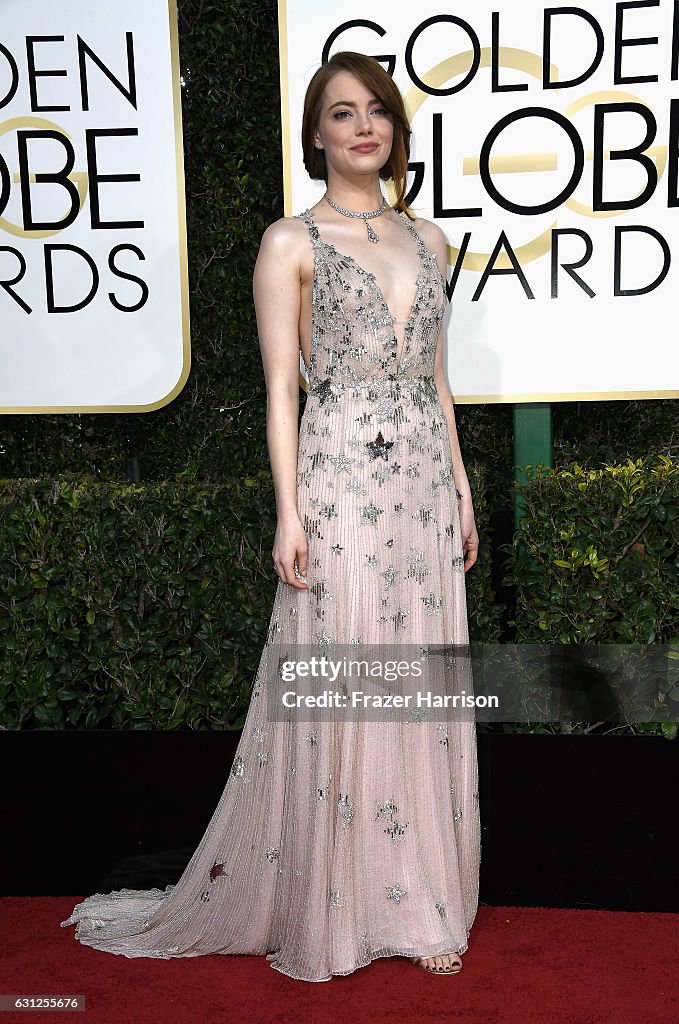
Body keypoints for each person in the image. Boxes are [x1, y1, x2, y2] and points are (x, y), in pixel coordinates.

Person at [60, 50, 481, 982]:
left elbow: (439, 383)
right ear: (315, 133)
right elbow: (279, 395)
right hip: (340, 482)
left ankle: (417, 900)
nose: (361, 126)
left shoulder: (432, 240)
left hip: (419, 486)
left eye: (375, 109)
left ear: (395, 128)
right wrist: (288, 512)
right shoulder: (288, 243)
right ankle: (337, 909)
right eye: (341, 112)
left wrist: (459, 483)